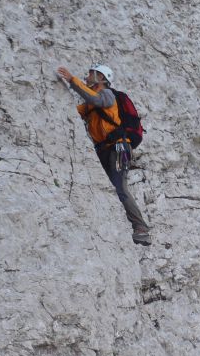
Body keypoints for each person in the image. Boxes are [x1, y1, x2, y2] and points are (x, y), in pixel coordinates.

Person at [56, 63, 151, 245]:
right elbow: (73, 111)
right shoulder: (90, 106)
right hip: (104, 149)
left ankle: (141, 228)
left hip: (118, 147)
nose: (88, 75)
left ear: (101, 78)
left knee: (120, 187)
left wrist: (72, 80)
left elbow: (97, 100)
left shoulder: (107, 95)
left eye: (92, 73)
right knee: (110, 189)